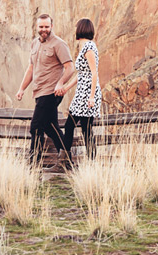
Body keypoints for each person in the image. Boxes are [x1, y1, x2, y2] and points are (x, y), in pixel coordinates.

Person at [14, 13, 74, 166]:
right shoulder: (35, 44)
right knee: (50, 126)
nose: (44, 29)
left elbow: (70, 68)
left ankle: (34, 164)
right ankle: (67, 158)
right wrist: (22, 88)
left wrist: (60, 83)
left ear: (51, 26)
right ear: (37, 27)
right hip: (39, 92)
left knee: (35, 126)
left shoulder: (59, 44)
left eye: (47, 26)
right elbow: (31, 69)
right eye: (41, 27)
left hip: (52, 92)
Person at [61, 18, 102, 160]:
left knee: (72, 126)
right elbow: (81, 74)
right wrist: (67, 87)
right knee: (85, 129)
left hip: (87, 92)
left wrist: (91, 97)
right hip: (82, 91)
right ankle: (87, 161)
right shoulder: (85, 46)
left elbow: (94, 72)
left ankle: (66, 160)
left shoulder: (89, 47)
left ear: (81, 29)